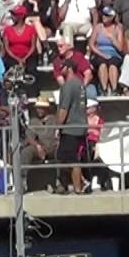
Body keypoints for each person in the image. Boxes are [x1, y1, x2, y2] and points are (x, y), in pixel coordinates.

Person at [55, 62, 89, 194]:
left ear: (69, 68)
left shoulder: (68, 86)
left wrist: (57, 126)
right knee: (64, 156)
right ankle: (79, 182)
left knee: (71, 158)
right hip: (81, 125)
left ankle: (79, 187)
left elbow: (64, 108)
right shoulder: (80, 84)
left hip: (70, 127)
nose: (60, 69)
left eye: (62, 67)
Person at [21, 98, 60, 190]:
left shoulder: (54, 120)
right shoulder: (34, 121)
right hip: (41, 147)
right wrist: (37, 145)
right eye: (38, 108)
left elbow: (60, 133)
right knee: (26, 151)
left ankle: (59, 181)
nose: (39, 110)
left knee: (61, 152)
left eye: (41, 108)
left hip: (54, 146)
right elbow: (29, 137)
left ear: (47, 109)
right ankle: (22, 180)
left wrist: (58, 142)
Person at [89, 7, 124, 95]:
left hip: (113, 53)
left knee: (113, 64)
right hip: (100, 53)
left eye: (107, 16)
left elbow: (120, 48)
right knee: (102, 64)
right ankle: (103, 89)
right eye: (103, 15)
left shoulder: (117, 28)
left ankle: (114, 89)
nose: (104, 17)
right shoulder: (98, 27)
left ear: (112, 17)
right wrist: (102, 54)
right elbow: (91, 45)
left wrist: (112, 38)